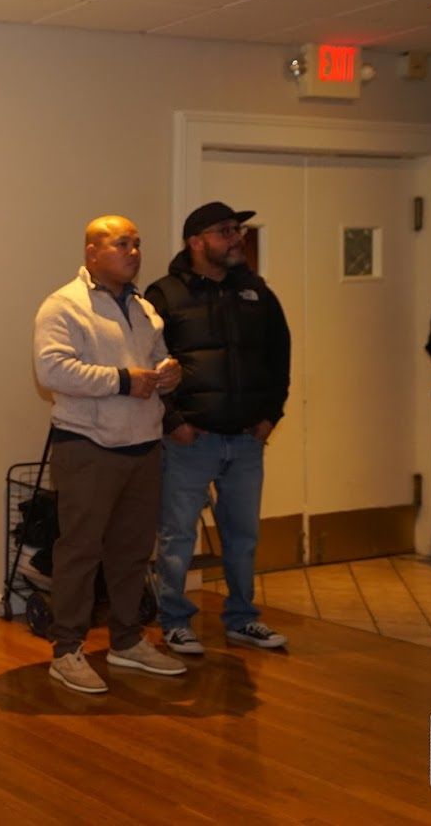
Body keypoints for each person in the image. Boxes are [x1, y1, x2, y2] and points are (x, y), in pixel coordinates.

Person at [33, 214, 186, 694]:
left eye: (138, 244)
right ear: (92, 252)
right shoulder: (64, 306)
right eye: (122, 244)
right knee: (80, 551)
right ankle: (67, 651)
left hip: (143, 444)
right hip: (88, 447)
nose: (134, 252)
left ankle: (125, 641)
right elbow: (52, 370)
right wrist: (122, 380)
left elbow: (155, 356)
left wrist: (167, 372)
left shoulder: (143, 307)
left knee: (132, 552)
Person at [144, 201, 291, 655]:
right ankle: (175, 621)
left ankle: (242, 619)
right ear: (196, 241)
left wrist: (271, 415)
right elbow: (147, 362)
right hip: (193, 442)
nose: (237, 239)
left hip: (247, 440)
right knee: (177, 535)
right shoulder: (164, 293)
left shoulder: (257, 294)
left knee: (243, 534)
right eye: (226, 231)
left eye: (239, 231)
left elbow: (279, 358)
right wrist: (174, 422)